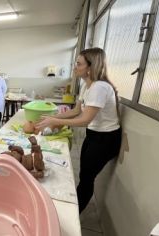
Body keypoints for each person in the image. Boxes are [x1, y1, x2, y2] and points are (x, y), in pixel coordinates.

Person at [35, 48, 122, 213]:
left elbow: (85, 120)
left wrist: (54, 120)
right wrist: (53, 116)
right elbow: (76, 111)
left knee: (87, 178)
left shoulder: (100, 87)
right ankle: (77, 203)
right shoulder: (86, 85)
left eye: (79, 64)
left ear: (90, 67)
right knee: (84, 174)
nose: (75, 67)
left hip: (106, 139)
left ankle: (73, 216)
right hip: (93, 134)